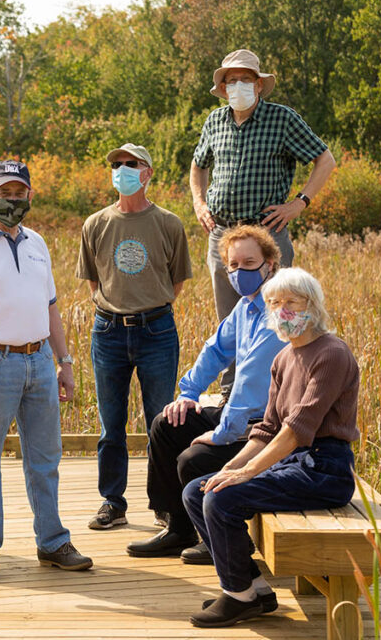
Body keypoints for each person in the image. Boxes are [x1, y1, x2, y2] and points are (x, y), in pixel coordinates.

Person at [182, 268, 360, 628]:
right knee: (196, 491)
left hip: (325, 469)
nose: (282, 310)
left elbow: (296, 429)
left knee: (221, 499)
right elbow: (267, 429)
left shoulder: (332, 353)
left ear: (313, 305)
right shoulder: (283, 358)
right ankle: (253, 590)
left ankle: (236, 595)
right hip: (293, 463)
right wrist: (232, 467)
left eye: (291, 302)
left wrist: (248, 472)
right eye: (274, 303)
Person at [0, 160, 93, 578]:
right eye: (4, 192)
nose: (13, 199)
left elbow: (51, 308)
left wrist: (64, 362)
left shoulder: (37, 243)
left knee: (45, 457)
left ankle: (53, 542)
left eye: (19, 192)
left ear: (30, 195)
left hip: (39, 359)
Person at [126, 226, 286, 568]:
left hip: (267, 430)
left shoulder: (278, 313)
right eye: (233, 265)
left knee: (193, 460)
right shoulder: (246, 307)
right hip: (242, 418)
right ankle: (178, 528)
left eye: (249, 263)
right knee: (167, 423)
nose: (240, 272)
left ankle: (218, 536)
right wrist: (189, 393)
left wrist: (220, 433)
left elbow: (248, 384)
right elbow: (215, 350)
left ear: (270, 264)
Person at [190, 49, 336, 400]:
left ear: (258, 84)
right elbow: (198, 166)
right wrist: (198, 202)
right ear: (223, 88)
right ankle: (232, 394)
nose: (238, 85)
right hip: (223, 234)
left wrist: (298, 203)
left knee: (281, 313)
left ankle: (278, 392)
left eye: (245, 79)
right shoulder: (214, 121)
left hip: (267, 232)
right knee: (230, 318)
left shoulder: (282, 119)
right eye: (231, 80)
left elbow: (325, 159)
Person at [77, 143, 192, 530]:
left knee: (161, 423)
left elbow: (176, 281)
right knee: (112, 425)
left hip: (157, 330)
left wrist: (147, 308)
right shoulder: (95, 224)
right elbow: (93, 280)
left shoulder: (169, 223)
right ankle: (113, 501)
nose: (122, 170)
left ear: (148, 172)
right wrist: (117, 307)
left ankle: (163, 503)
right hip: (108, 330)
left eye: (131, 164)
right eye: (117, 164)